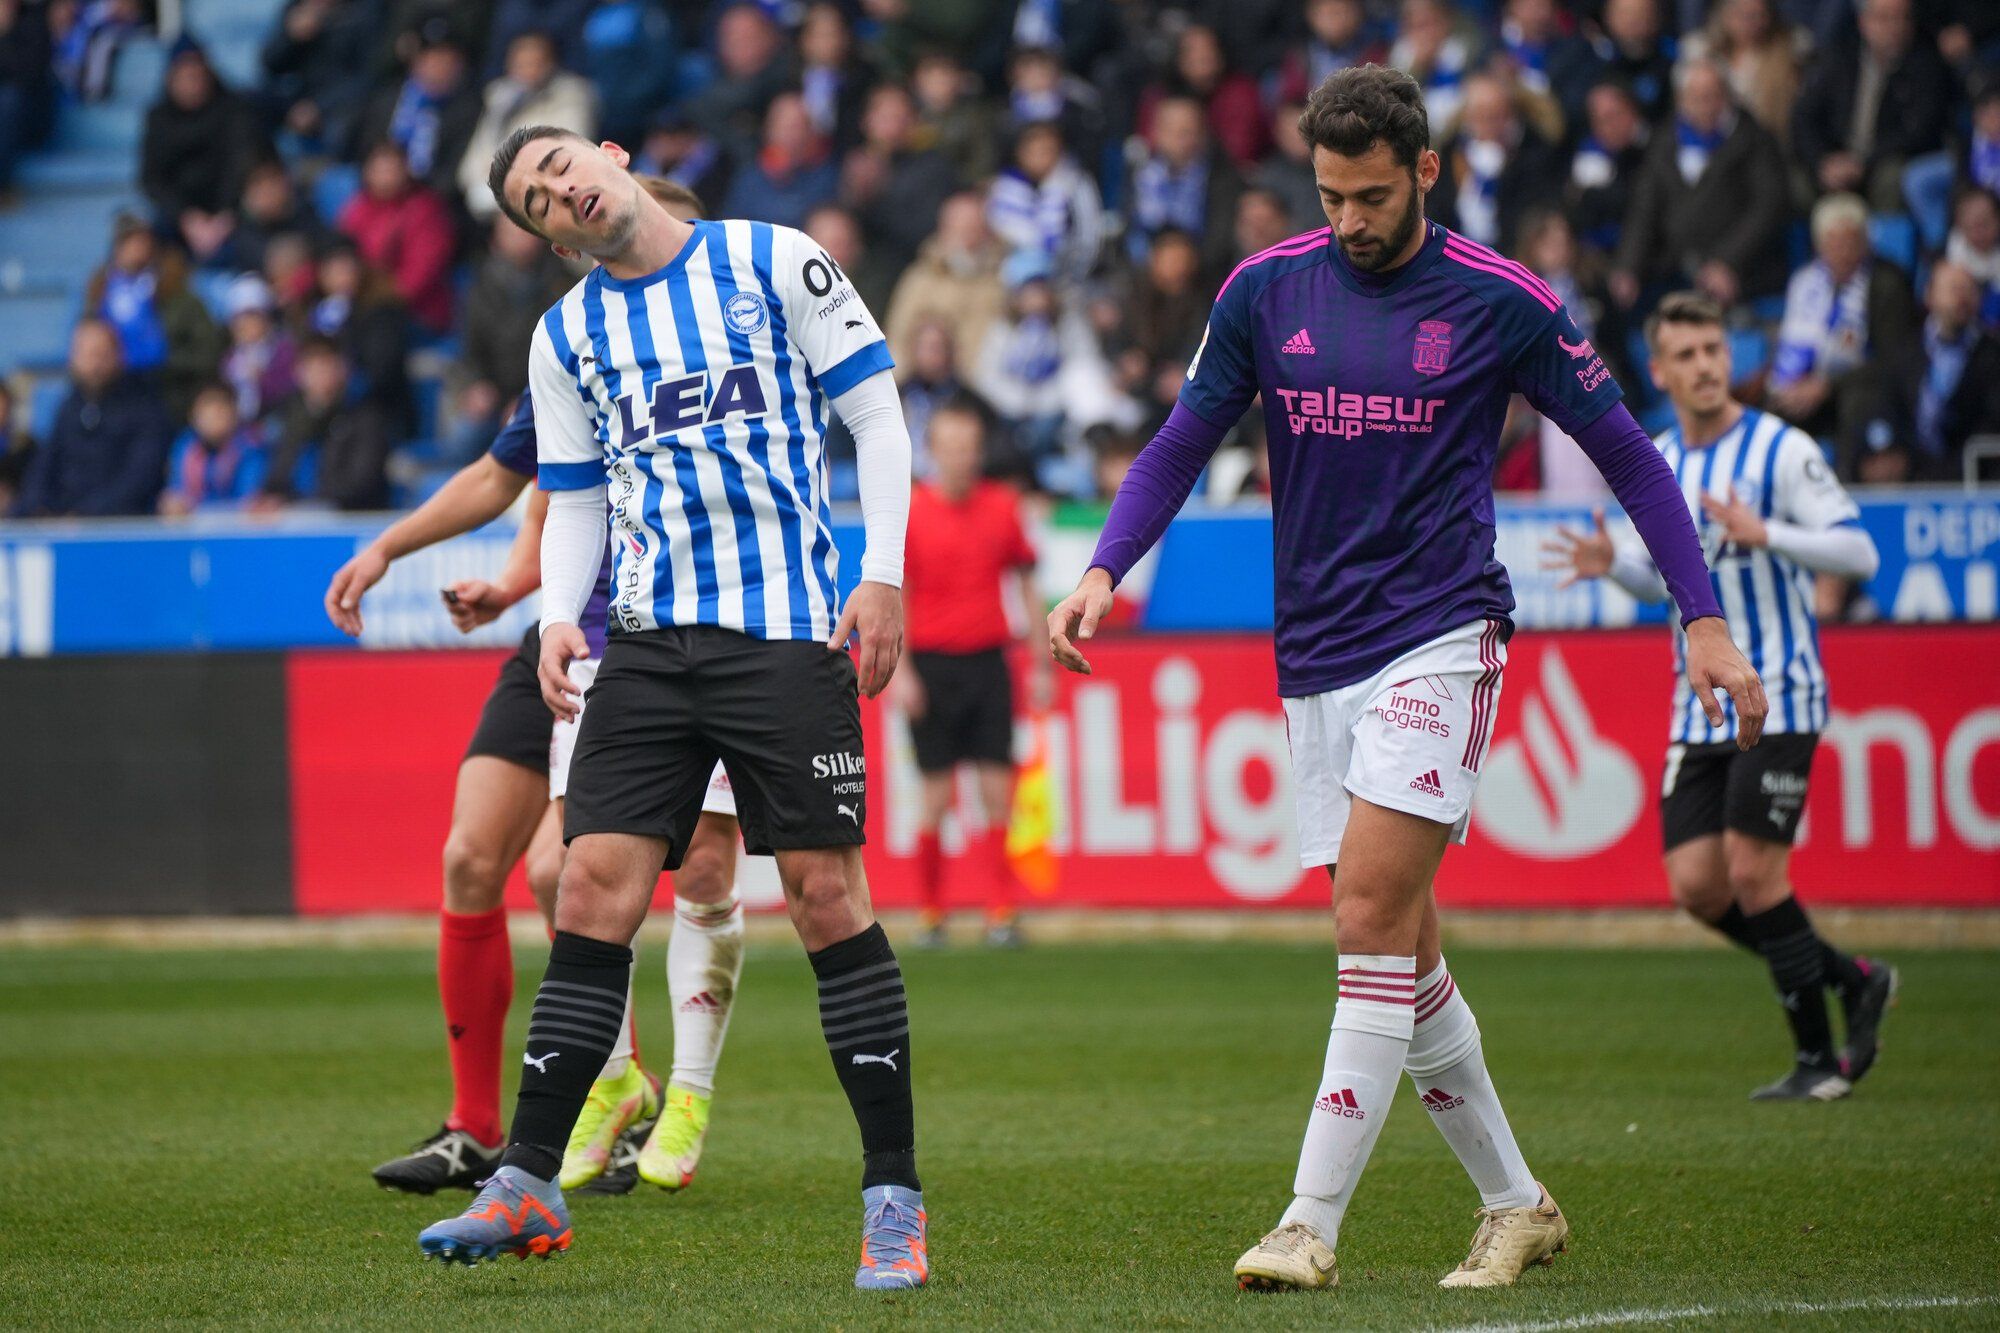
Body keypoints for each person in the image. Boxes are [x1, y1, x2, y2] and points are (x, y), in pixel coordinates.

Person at [1046, 65, 1765, 1294]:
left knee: (1366, 922)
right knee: (1406, 949)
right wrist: (1105, 568)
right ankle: (1515, 1203)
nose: (1349, 221)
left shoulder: (1503, 302)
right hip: (1312, 650)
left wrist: (1701, 617)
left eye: (1371, 195)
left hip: (1438, 632)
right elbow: (1180, 437)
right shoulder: (1267, 290)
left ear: (1425, 171)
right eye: (1329, 195)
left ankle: (1305, 1220)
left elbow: (1634, 463)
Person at [417, 125, 925, 1291]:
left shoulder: (771, 257)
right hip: (642, 648)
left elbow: (877, 415)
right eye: (538, 202)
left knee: (821, 896)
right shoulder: (568, 336)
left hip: (785, 635)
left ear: (609, 154)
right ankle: (528, 1185)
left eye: (561, 168)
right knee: (588, 884)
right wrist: (554, 614)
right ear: (547, 238)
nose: (562, 194)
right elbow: (578, 494)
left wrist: (883, 572)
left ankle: (892, 1196)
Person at [324, 177, 749, 1198]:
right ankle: (483, 1123)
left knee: (593, 872)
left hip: (673, 640)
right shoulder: (578, 347)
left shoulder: (720, 345)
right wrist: (402, 549)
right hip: (563, 641)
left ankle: (636, 1083)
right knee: (477, 856)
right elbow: (519, 488)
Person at [1542, 291, 1897, 1100]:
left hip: (1778, 694)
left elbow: (1859, 554)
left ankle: (1819, 1063)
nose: (1705, 365)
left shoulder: (1780, 448)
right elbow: (1661, 582)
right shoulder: (1658, 459)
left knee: (1753, 871)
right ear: (1659, 370)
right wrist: (1617, 566)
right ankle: (1852, 978)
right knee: (1699, 887)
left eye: (1714, 349)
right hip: (1693, 703)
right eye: (1687, 354)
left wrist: (1769, 533)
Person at [898, 399, 1047, 948]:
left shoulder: (1004, 507)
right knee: (934, 795)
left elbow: (1028, 587)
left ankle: (1000, 911)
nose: (960, 458)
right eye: (950, 448)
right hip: (933, 664)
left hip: (988, 661)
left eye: (968, 448)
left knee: (996, 790)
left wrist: (1039, 662)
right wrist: (903, 671)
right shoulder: (912, 512)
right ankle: (932, 913)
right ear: (932, 451)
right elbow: (900, 596)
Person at [1611, 58, 1792, 313]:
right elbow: (1644, 207)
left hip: (1746, 272)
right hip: (1676, 269)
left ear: (1728, 96)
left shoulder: (1754, 139)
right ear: (1681, 99)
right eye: (1696, 98)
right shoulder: (1664, 141)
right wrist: (1628, 265)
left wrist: (1727, 262)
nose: (1706, 106)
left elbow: (1768, 207)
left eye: (1713, 96)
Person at [1766, 193, 1917, 437]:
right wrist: (1794, 386)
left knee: (1858, 401)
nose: (1842, 252)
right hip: (1811, 386)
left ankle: (1848, 474)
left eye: (1850, 242)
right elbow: (1792, 348)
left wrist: (1828, 386)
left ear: (1865, 242)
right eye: (1833, 243)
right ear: (1819, 246)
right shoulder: (1805, 282)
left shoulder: (1888, 284)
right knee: (1770, 411)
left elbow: (1894, 360)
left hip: (1863, 387)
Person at [12, 319, 174, 518]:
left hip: (114, 524)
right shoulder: (69, 406)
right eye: (85, 353)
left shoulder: (145, 408)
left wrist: (85, 514)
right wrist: (37, 506)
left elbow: (140, 478)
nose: (94, 363)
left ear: (119, 355)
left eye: (100, 353)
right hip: (61, 517)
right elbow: (44, 465)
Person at [457, 30, 598, 220]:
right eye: (520, 64)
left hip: (547, 199)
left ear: (550, 63)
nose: (527, 70)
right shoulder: (498, 96)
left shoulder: (573, 96)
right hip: (492, 195)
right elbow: (473, 161)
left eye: (533, 63)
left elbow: (566, 156)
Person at [160, 383, 268, 514]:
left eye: (221, 409)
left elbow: (249, 502)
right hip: (191, 530)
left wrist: (195, 511)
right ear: (193, 416)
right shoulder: (185, 445)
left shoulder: (251, 448)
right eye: (207, 409)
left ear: (234, 413)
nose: (214, 416)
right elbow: (177, 490)